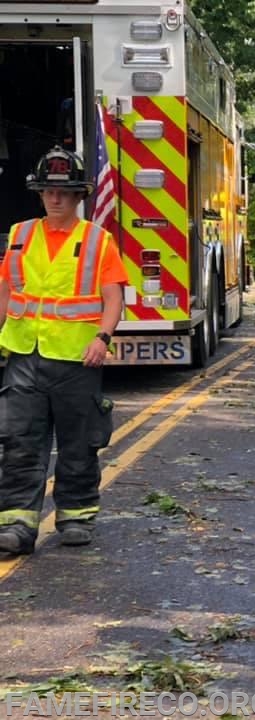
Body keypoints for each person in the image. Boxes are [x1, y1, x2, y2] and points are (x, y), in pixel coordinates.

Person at [0, 146, 128, 555]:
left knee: (78, 443)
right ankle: (17, 523)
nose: (55, 199)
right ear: (39, 194)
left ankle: (75, 516)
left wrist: (102, 338)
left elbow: (113, 297)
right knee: (19, 441)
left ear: (78, 196)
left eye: (65, 192)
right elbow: (7, 290)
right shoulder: (20, 235)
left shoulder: (96, 240)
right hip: (24, 354)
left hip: (77, 358)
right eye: (48, 192)